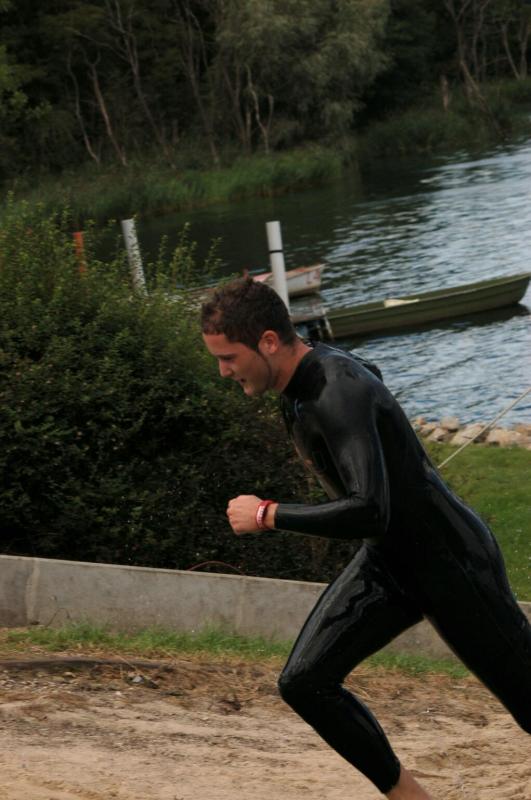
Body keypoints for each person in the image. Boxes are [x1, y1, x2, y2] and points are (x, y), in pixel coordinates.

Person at [200, 277, 531, 800]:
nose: (223, 371)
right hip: (389, 564)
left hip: (451, 562)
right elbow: (372, 384)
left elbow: (370, 510)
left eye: (228, 357)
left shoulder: (336, 391)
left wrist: (267, 514)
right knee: (304, 681)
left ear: (268, 341)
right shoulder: (298, 386)